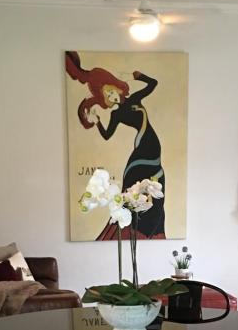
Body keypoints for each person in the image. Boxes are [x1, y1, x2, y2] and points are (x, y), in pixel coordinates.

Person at [65, 51, 165, 240]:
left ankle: (150, 226)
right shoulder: (115, 115)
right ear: (105, 99)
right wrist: (96, 121)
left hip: (151, 143)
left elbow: (153, 84)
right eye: (107, 95)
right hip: (140, 149)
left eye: (111, 90)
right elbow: (107, 135)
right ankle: (134, 230)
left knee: (153, 183)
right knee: (136, 184)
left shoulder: (135, 99)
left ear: (117, 87)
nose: (112, 95)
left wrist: (140, 76)